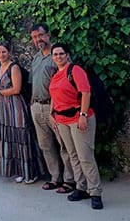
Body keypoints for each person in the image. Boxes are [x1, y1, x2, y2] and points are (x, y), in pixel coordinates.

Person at [49, 43, 104, 210]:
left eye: (61, 54)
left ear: (67, 55)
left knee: (85, 156)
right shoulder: (55, 74)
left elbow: (86, 92)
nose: (58, 57)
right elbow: (54, 95)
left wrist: (83, 115)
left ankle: (95, 192)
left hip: (78, 118)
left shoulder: (75, 71)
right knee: (73, 155)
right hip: (62, 120)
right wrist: (53, 115)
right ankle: (81, 187)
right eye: (55, 54)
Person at [0, 42, 43, 183]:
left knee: (22, 137)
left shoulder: (14, 67)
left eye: (4, 52)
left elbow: (16, 89)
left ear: (9, 52)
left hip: (15, 105)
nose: (1, 54)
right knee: (10, 137)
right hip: (4, 107)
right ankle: (19, 170)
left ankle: (30, 172)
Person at [30, 24, 75, 192]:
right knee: (45, 145)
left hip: (54, 107)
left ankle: (70, 180)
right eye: (34, 37)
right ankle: (55, 177)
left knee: (64, 144)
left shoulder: (57, 56)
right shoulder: (36, 58)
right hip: (36, 106)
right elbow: (33, 82)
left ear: (48, 35)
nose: (38, 39)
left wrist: (56, 107)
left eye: (40, 35)